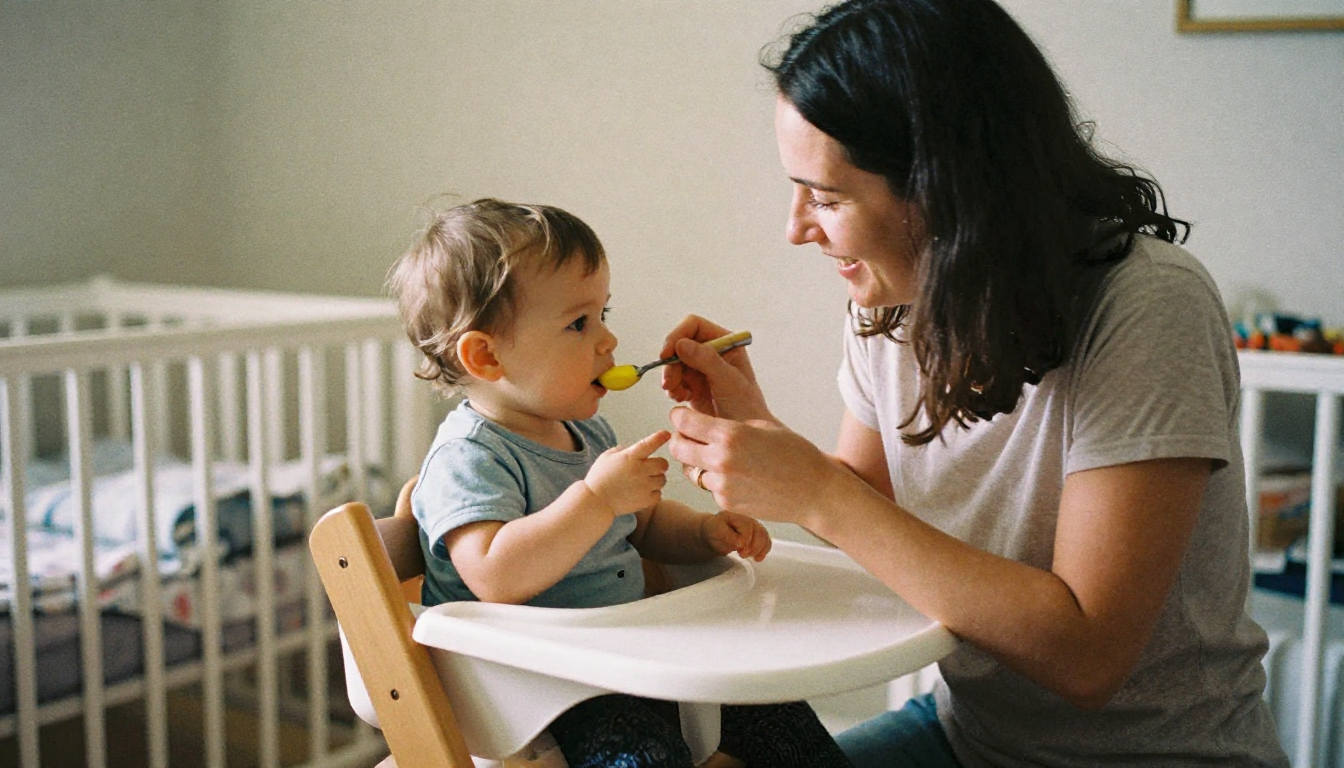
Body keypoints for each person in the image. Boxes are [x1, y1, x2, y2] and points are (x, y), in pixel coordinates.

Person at [658, 1, 1290, 766]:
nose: (797, 228)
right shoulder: (892, 298)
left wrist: (818, 493)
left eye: (826, 198)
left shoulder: (1148, 305)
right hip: (972, 736)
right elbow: (874, 506)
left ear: (942, 189)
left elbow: (1087, 653)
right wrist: (760, 431)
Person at [386, 197, 853, 768]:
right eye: (579, 323)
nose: (607, 340)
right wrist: (595, 498)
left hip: (620, 658)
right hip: (535, 687)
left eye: (604, 314)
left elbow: (645, 527)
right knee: (644, 755)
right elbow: (495, 575)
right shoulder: (468, 457)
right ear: (486, 356)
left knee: (776, 711)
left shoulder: (587, 432)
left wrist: (705, 533)